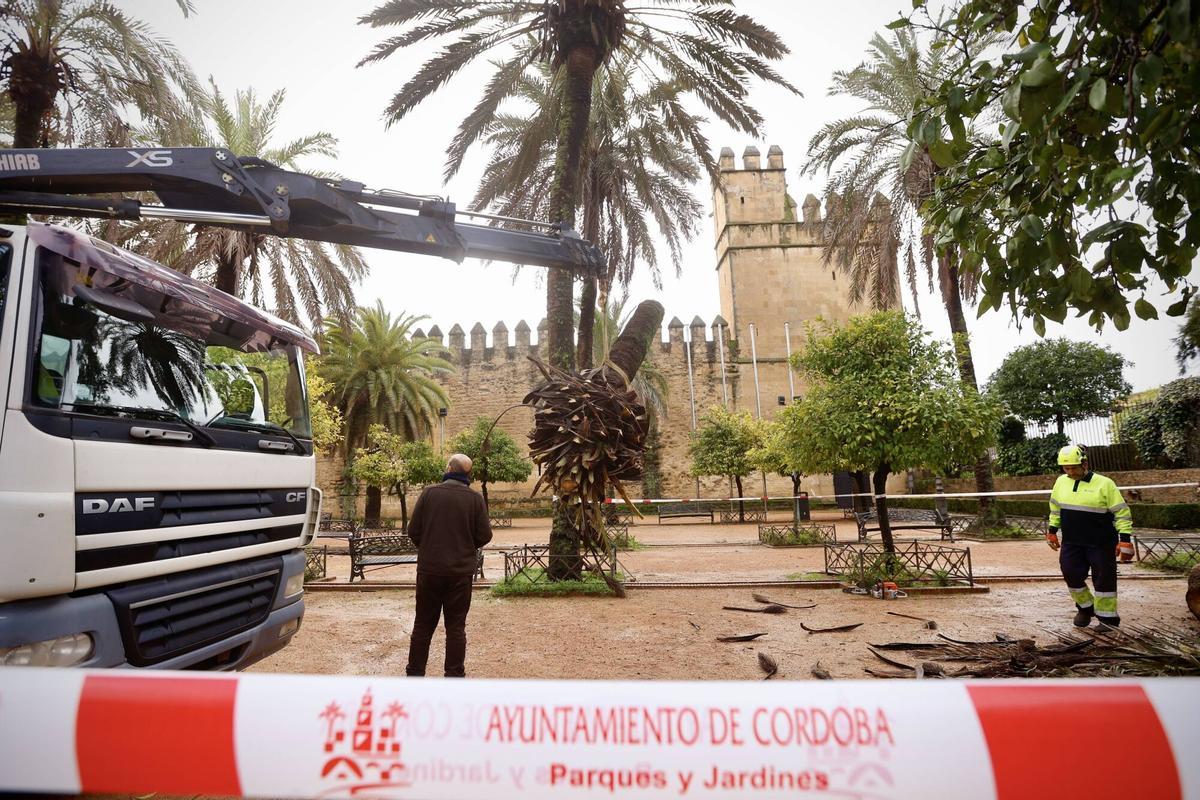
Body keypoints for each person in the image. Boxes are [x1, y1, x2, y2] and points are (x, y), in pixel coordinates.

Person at [405, 453, 493, 677]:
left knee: (423, 624)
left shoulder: (429, 494)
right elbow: (485, 535)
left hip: (430, 570)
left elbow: (413, 530)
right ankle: (454, 675)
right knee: (456, 627)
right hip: (460, 573)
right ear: (468, 474)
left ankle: (415, 674)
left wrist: (428, 548)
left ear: (448, 468)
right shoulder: (474, 499)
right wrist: (465, 546)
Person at [1046, 444, 1135, 627]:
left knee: (1104, 580)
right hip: (1072, 542)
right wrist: (1052, 531)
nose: (1070, 471)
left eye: (1073, 467)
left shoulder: (1105, 484)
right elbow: (1055, 509)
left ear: (1084, 463)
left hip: (1101, 543)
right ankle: (1085, 607)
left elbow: (1122, 513)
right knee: (1070, 573)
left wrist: (1125, 540)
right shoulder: (1061, 482)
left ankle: (1108, 618)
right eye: (1066, 468)